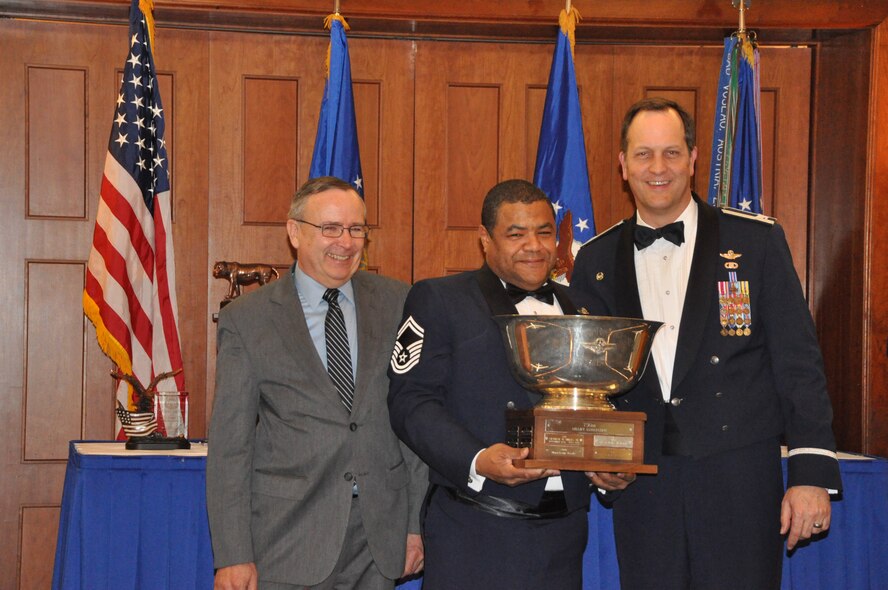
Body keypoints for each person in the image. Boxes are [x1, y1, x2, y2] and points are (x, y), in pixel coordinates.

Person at [571, 97, 842, 590]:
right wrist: (598, 459)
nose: (658, 168)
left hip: (738, 480)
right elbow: (589, 380)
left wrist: (809, 472)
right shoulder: (594, 259)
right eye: (644, 154)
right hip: (643, 489)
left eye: (672, 153)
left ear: (694, 159)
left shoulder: (756, 243)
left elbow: (798, 363)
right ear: (622, 164)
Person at [387, 179, 625, 590]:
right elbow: (411, 403)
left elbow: (601, 406)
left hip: (564, 538)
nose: (533, 245)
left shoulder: (585, 308)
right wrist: (478, 458)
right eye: (515, 234)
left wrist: (611, 467)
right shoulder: (439, 300)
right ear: (485, 239)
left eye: (544, 232)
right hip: (475, 533)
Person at [207, 176, 427, 590]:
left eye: (356, 229)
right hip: (288, 538)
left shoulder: (401, 303)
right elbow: (230, 447)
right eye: (330, 228)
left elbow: (415, 422)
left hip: (379, 537)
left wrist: (416, 523)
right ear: (294, 232)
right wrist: (234, 555)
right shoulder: (248, 319)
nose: (345, 242)